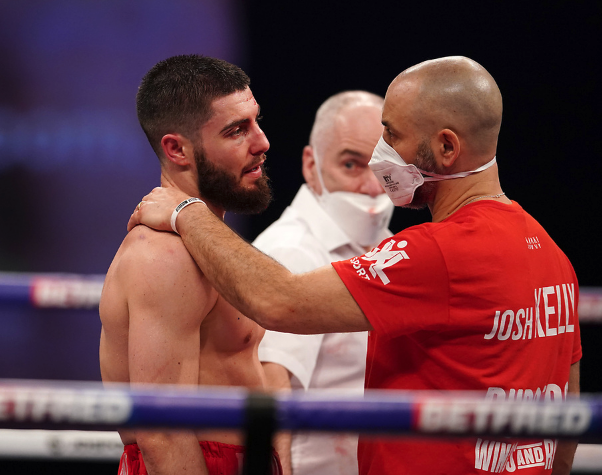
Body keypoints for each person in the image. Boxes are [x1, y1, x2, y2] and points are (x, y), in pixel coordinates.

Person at [129, 56, 581, 475]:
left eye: (393, 134)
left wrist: (185, 210)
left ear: (446, 148)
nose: (381, 153)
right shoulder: (552, 254)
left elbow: (279, 301)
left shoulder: (438, 252)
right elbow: (568, 411)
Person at [99, 54, 282, 475]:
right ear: (177, 149)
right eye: (237, 131)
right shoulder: (165, 256)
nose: (262, 142)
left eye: (256, 121)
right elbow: (163, 432)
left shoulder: (207, 241)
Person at [256, 90, 394, 475]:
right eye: (351, 165)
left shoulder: (389, 250)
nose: (371, 186)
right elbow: (269, 387)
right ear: (311, 165)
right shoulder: (290, 252)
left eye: (382, 167)